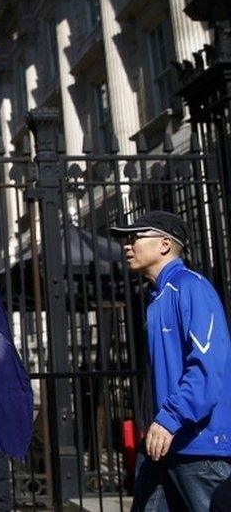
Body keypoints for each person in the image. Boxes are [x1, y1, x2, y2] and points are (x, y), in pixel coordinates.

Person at [110, 211, 231, 511]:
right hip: (162, 445)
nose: (127, 244)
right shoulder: (158, 296)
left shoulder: (191, 287)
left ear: (164, 244)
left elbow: (207, 366)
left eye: (135, 237)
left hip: (199, 449)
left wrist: (170, 418)